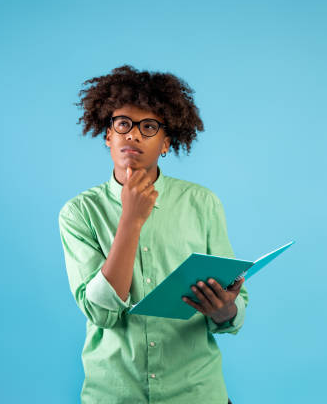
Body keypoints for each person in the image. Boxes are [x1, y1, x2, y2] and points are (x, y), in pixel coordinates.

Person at [58, 65, 248, 404]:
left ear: (165, 143)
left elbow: (235, 311)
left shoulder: (202, 203)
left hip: (196, 393)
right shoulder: (79, 213)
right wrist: (130, 219)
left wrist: (225, 311)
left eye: (148, 127)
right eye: (123, 125)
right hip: (116, 394)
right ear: (107, 135)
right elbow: (102, 313)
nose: (132, 135)